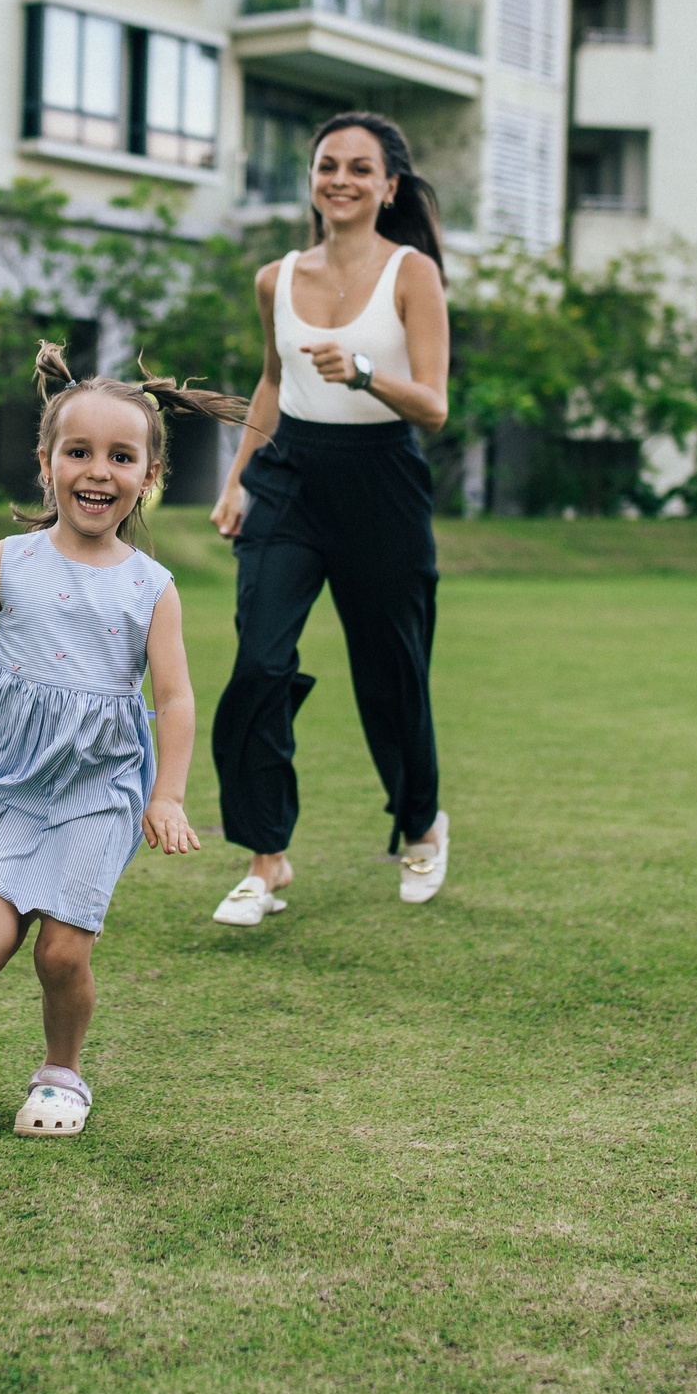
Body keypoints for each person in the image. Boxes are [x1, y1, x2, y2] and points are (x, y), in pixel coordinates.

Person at [0, 344, 239, 1135]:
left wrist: (166, 794)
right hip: (6, 780)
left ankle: (62, 1071)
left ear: (149, 475)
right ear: (47, 463)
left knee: (62, 956)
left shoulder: (152, 588)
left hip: (96, 786)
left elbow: (173, 697)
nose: (97, 470)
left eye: (120, 455)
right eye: (79, 451)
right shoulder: (8, 562)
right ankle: (35, 887)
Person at [206, 112, 453, 927]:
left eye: (358, 168)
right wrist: (239, 479)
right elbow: (273, 382)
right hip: (288, 479)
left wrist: (368, 370)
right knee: (259, 663)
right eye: (325, 165)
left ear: (388, 187)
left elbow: (435, 407)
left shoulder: (412, 273)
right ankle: (264, 856)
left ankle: (421, 824)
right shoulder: (277, 277)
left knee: (392, 673)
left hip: (381, 480)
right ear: (311, 179)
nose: (339, 179)